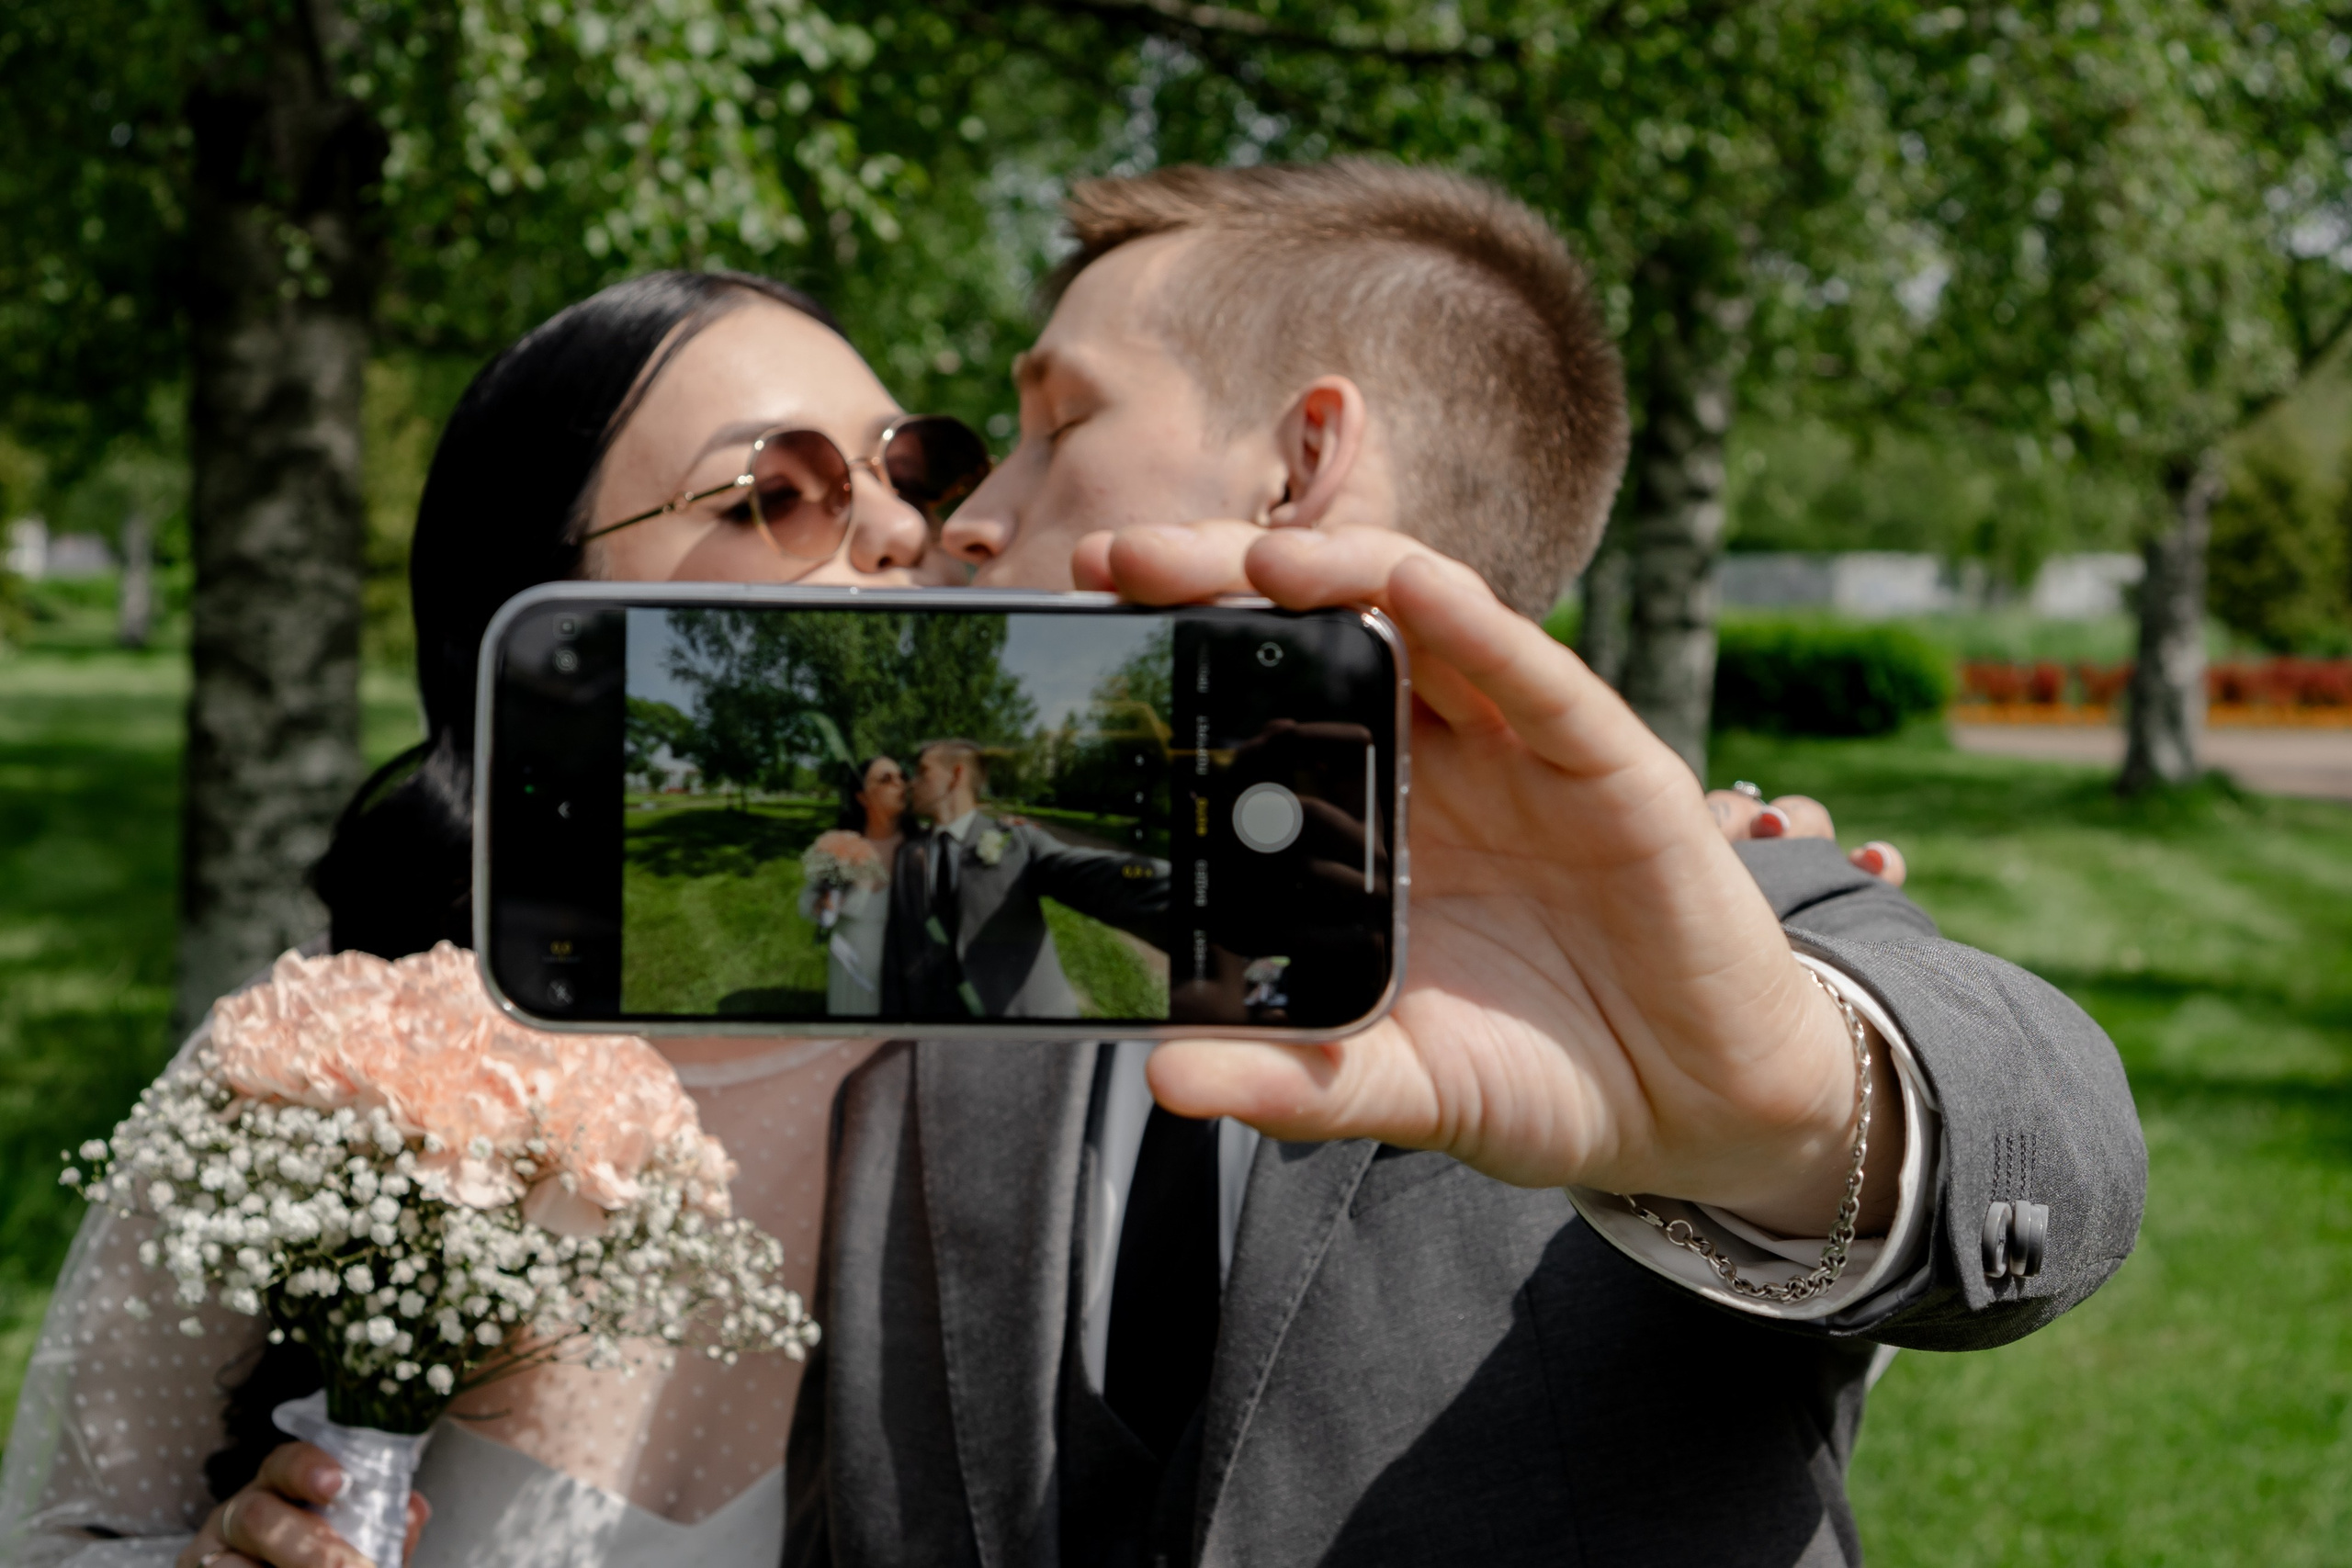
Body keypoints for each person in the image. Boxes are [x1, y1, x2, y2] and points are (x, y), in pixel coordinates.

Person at [785, 162, 2144, 1567]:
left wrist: (1797, 1108)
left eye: (1057, 420)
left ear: (1300, 462)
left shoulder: (1686, 909)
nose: (969, 519)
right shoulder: (956, 989)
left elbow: (2056, 1141)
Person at [0, 269, 991, 1568]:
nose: (898, 527)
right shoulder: (329, 1057)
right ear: (544, 592)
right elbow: (62, 1535)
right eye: (777, 491)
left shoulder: (1031, 1056)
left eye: (916, 470)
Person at [879, 739, 1170, 1020]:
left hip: (1023, 1019)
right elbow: (898, 947)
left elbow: (1084, 872)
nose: (912, 782)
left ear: (956, 776)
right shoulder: (908, 853)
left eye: (923, 771)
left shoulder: (1018, 840)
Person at [805, 756, 910, 1017]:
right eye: (886, 779)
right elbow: (808, 899)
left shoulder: (920, 847)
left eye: (902, 778)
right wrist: (820, 905)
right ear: (863, 797)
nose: (901, 785)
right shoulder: (840, 846)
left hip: (900, 972)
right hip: (848, 969)